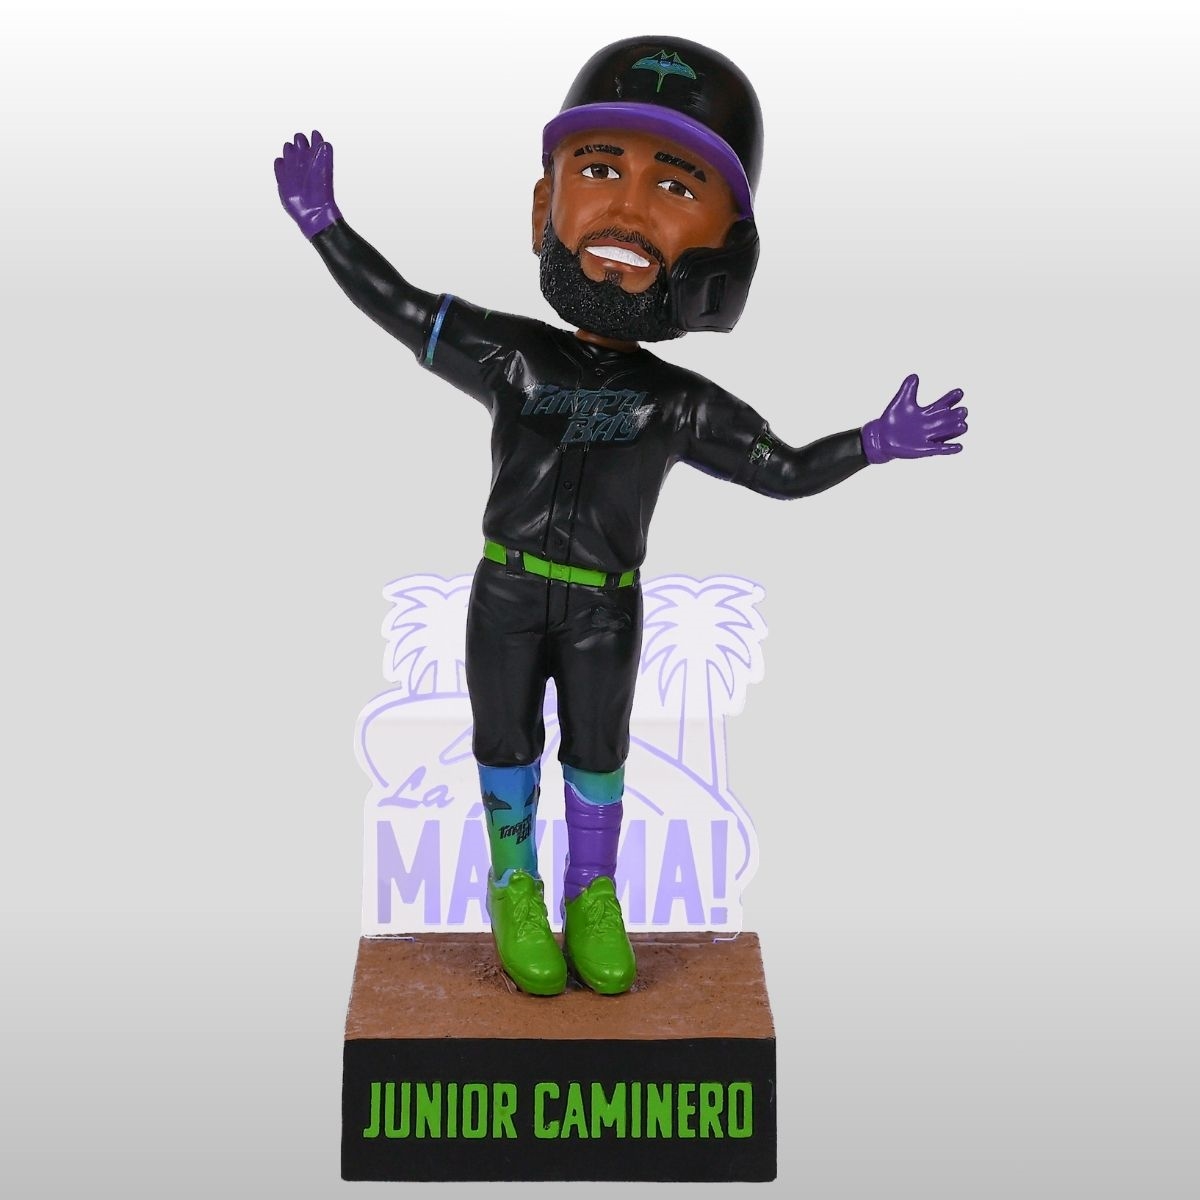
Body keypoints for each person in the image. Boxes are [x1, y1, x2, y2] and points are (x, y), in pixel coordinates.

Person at [275, 36, 967, 998]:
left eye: (676, 187)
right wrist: (324, 227)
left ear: (725, 256)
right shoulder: (511, 354)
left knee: (598, 753)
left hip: (605, 606)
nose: (629, 212)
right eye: (600, 170)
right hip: (508, 592)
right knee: (505, 743)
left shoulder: (679, 402)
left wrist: (870, 442)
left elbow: (780, 468)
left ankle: (592, 892)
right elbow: (398, 306)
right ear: (545, 204)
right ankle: (515, 885)